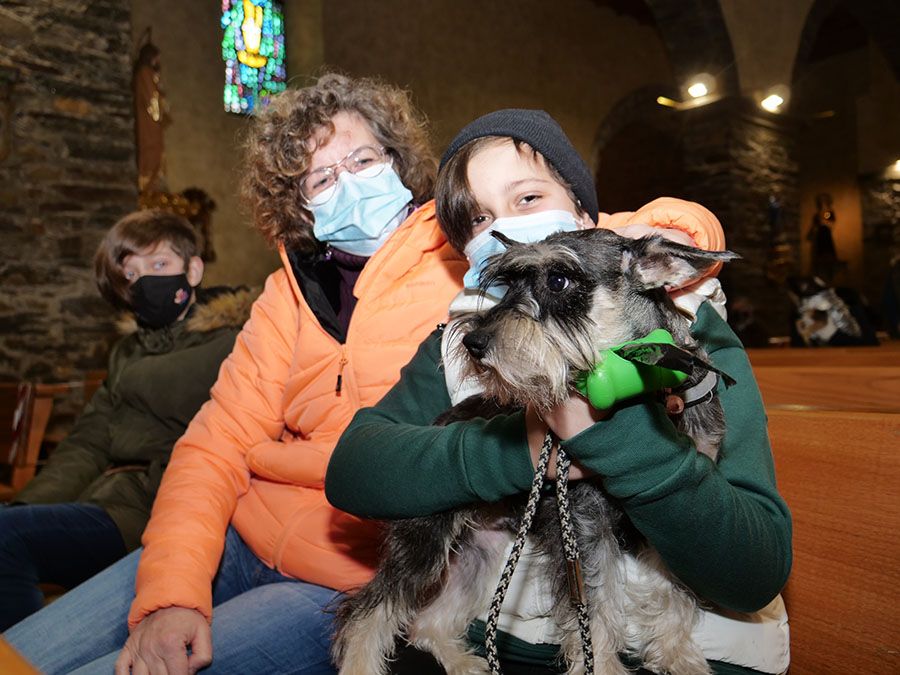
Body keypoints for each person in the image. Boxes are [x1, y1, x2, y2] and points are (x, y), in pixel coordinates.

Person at [4, 73, 466, 674]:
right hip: (237, 537)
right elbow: (214, 442)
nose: (348, 184)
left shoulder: (461, 266)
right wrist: (172, 591)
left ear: (398, 163)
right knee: (20, 654)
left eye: (362, 160)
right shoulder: (287, 293)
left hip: (346, 578)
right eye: (322, 179)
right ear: (300, 205)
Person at [326, 109, 792, 675]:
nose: (506, 226)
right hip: (507, 636)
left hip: (714, 649)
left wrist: (626, 444)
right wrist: (516, 452)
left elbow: (755, 572)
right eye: (479, 218)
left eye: (527, 198)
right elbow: (351, 469)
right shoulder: (464, 341)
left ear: (581, 210)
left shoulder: (699, 341)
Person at [0, 209, 252, 632]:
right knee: (10, 528)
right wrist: (28, 506)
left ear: (192, 271)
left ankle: (20, 656)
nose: (144, 281)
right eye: (131, 274)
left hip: (156, 508)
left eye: (159, 264)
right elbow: (89, 441)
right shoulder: (126, 352)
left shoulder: (235, 342)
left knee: (7, 537)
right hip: (106, 502)